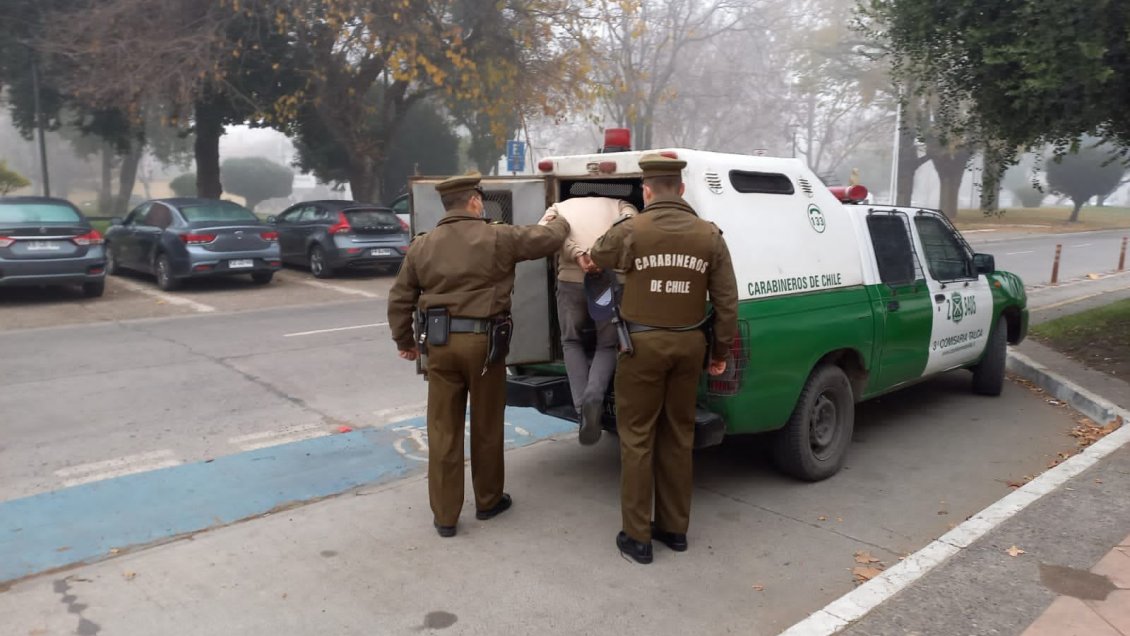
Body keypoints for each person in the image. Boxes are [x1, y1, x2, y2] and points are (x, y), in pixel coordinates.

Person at [387, 173, 570, 538]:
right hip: (486, 348)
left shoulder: (422, 246)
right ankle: (488, 501)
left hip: (440, 347)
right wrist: (562, 216)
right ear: (474, 201)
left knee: (443, 431)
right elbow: (548, 239)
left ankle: (445, 517)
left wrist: (404, 341)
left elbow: (399, 298)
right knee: (486, 426)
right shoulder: (498, 236)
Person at [590, 154, 738, 564]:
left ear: (647, 190)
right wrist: (720, 352)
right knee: (678, 436)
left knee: (637, 437)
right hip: (689, 347)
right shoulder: (709, 235)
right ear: (683, 189)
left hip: (640, 349)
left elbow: (597, 255)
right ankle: (675, 530)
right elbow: (727, 301)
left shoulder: (631, 228)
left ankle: (637, 537)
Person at [537, 195, 637, 445]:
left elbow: (545, 233)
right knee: (606, 344)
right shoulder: (621, 205)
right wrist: (600, 255)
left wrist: (578, 254)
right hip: (609, 282)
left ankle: (583, 409)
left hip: (570, 282)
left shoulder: (558, 207)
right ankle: (594, 395)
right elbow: (632, 226)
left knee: (571, 341)